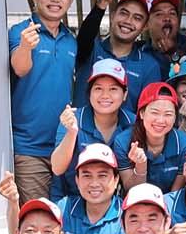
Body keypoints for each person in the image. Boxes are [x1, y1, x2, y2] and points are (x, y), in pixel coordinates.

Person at [10, 0, 79, 203]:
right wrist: (26, 47)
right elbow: (20, 68)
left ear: (70, 0)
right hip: (29, 148)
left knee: (62, 215)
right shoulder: (20, 32)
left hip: (63, 147)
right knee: (38, 215)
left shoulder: (70, 41)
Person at [75, 0, 168, 108]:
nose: (128, 21)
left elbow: (148, 110)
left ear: (145, 26)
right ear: (113, 16)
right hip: (79, 122)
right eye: (124, 13)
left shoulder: (149, 66)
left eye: (137, 18)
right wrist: (102, 2)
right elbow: (84, 37)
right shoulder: (91, 49)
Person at [49, 61, 137, 191]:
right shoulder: (73, 118)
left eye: (113, 89)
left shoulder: (133, 122)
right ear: (89, 92)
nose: (105, 95)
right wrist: (72, 132)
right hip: (72, 197)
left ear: (124, 94)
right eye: (98, 89)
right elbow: (57, 168)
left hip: (115, 199)